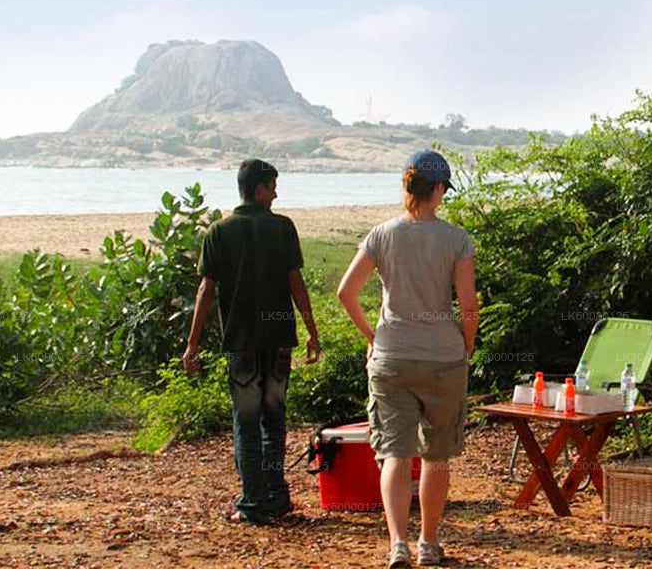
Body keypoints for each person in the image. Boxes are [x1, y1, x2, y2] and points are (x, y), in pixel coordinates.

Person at [336, 149, 478, 569]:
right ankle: (428, 544)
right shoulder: (456, 239)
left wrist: (372, 336)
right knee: (436, 456)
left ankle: (397, 543)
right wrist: (466, 346)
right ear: (438, 189)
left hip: (391, 356)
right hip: (443, 358)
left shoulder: (381, 235)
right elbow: (467, 306)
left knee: (394, 454)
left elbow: (346, 292)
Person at [183, 158, 321, 525]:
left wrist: (192, 344)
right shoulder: (282, 228)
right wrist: (311, 330)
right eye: (273, 186)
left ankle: (252, 502)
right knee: (273, 419)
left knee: (245, 421)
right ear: (258, 189)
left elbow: (205, 291)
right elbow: (296, 284)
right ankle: (275, 495)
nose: (276, 193)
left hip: (241, 342)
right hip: (278, 342)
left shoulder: (218, 231)